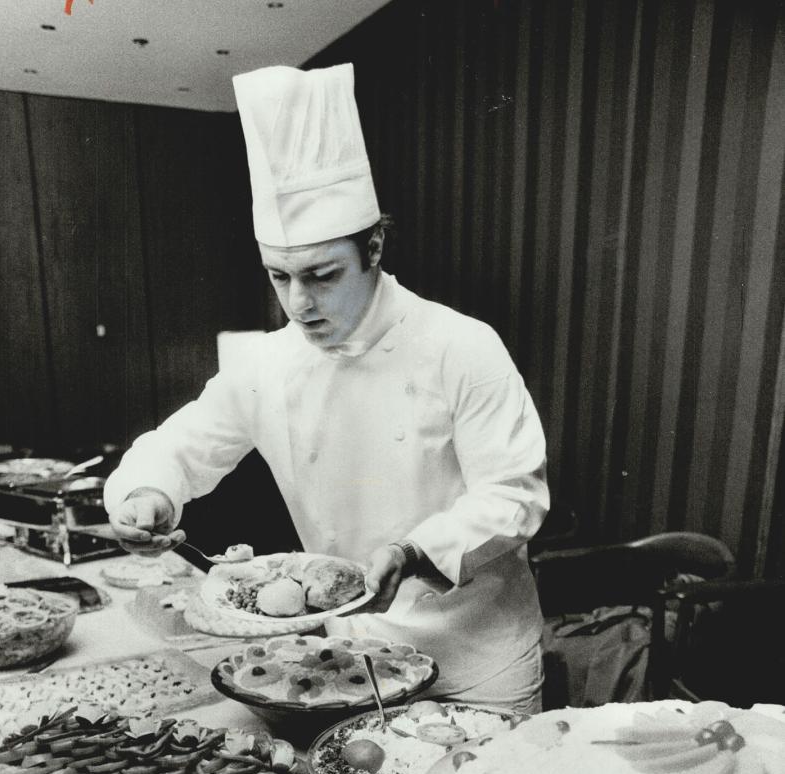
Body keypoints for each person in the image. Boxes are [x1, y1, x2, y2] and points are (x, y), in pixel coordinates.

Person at [104, 63, 549, 712]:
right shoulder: (266, 363)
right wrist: (147, 495)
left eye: (321, 274)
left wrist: (415, 551)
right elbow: (179, 446)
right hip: (352, 654)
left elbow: (514, 494)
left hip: (476, 663)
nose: (299, 303)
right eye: (279, 277)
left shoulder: (461, 345)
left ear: (373, 248)